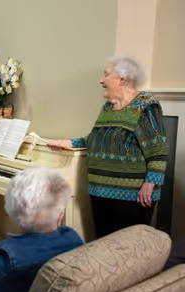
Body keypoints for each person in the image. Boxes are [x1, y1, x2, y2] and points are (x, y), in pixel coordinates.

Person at [48, 56, 168, 238]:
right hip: (100, 190)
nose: (101, 81)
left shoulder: (145, 105)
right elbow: (96, 139)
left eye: (106, 75)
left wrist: (150, 183)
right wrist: (68, 143)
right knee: (104, 247)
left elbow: (158, 149)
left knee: (128, 248)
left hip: (131, 196)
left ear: (122, 79)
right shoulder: (108, 107)